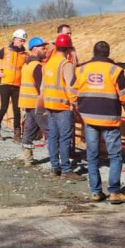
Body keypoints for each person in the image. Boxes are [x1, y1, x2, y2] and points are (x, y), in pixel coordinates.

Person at [69, 41, 125, 204]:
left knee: (92, 155)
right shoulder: (115, 70)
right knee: (115, 155)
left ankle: (96, 192)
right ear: (108, 53)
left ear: (93, 52)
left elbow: (71, 92)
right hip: (109, 119)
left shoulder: (81, 69)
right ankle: (114, 192)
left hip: (89, 118)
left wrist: (78, 107)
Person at [42, 33, 84, 180]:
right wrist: (75, 104)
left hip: (50, 105)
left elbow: (43, 87)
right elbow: (70, 88)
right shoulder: (65, 65)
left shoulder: (49, 63)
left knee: (52, 137)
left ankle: (55, 166)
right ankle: (66, 169)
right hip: (62, 106)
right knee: (65, 138)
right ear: (68, 49)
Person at [0, 28, 28, 142]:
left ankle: (17, 134)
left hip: (17, 86)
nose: (22, 43)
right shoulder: (5, 51)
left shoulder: (25, 55)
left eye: (24, 40)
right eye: (20, 40)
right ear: (14, 39)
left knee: (17, 110)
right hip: (5, 84)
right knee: (4, 108)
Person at [19, 37, 48, 164]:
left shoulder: (27, 64)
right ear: (35, 49)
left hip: (27, 103)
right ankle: (57, 161)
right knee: (49, 130)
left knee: (29, 130)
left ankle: (27, 158)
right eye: (43, 48)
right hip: (37, 104)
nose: (45, 50)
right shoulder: (37, 66)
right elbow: (41, 88)